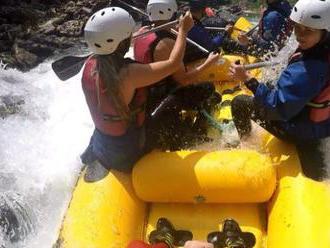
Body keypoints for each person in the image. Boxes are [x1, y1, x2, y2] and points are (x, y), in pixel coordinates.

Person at [80, 7, 194, 178]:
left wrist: (131, 38)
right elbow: (173, 63)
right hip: (128, 151)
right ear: (121, 42)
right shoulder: (130, 74)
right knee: (172, 102)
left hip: (101, 143)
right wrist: (183, 31)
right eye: (129, 35)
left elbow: (111, 54)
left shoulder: (90, 64)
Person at [229, 0, 330, 181]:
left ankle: (248, 147)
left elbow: (277, 108)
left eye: (309, 30)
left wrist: (248, 80)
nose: (300, 35)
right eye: (298, 28)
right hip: (319, 125)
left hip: (297, 129)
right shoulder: (321, 49)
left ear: (324, 30)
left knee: (239, 103)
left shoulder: (309, 68)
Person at [134, 0, 221, 150]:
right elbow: (184, 80)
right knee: (208, 89)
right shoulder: (166, 43)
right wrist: (208, 63)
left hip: (148, 95)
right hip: (164, 98)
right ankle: (198, 130)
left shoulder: (142, 32)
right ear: (172, 14)